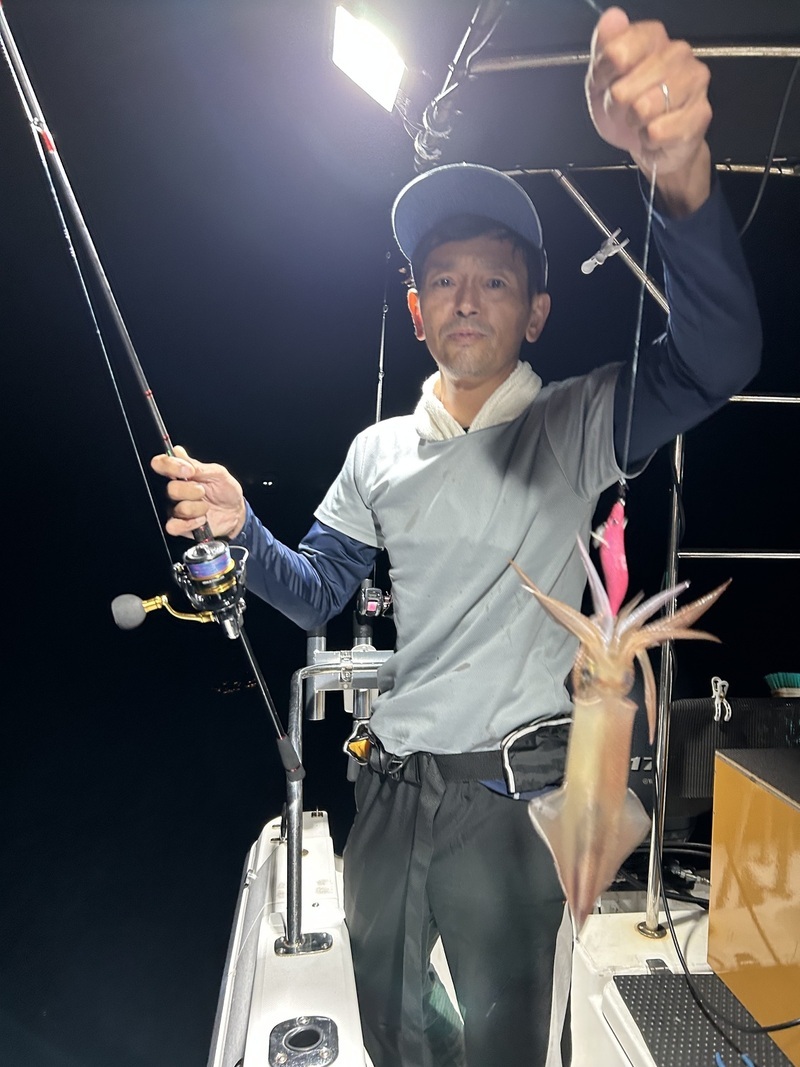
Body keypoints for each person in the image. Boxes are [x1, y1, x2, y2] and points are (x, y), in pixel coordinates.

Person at [153, 8, 761, 1065]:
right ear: (416, 305)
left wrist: (678, 178)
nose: (465, 300)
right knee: (391, 1025)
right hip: (390, 786)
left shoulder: (576, 420)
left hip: (511, 798)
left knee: (506, 1038)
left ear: (535, 310)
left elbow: (718, 357)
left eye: (493, 280)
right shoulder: (376, 450)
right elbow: (317, 588)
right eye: (443, 279)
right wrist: (242, 528)